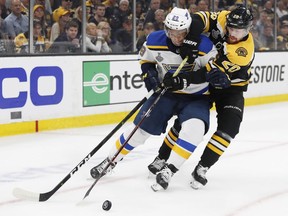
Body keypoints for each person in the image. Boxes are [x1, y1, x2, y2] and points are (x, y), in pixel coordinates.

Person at [89, 7, 229, 186]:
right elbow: (146, 62)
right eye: (172, 33)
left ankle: (169, 169)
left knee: (194, 129)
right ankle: (110, 161)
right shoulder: (155, 40)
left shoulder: (204, 46)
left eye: (181, 33)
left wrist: (183, 81)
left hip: (197, 96)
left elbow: (210, 73)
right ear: (166, 29)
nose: (177, 38)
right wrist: (151, 78)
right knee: (140, 130)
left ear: (188, 30)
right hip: (166, 94)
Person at [148, 5, 255, 190]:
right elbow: (196, 19)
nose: (232, 33)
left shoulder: (242, 53)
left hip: (231, 87)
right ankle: (162, 157)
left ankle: (202, 167)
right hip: (206, 84)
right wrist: (191, 40)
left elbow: (208, 73)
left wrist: (181, 80)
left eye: (238, 30)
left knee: (230, 128)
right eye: (230, 27)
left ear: (248, 29)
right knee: (187, 122)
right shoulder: (223, 18)